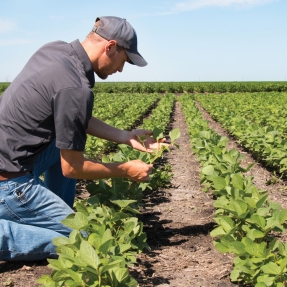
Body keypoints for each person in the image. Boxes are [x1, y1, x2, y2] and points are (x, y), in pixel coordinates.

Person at [0, 16, 165, 261]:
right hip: (11, 183)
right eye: (124, 60)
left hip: (12, 162)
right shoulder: (76, 87)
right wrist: (126, 169)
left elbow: (73, 116)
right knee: (84, 242)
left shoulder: (56, 51)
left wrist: (125, 136)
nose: (121, 69)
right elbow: (73, 167)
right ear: (110, 46)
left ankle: (58, 217)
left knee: (60, 147)